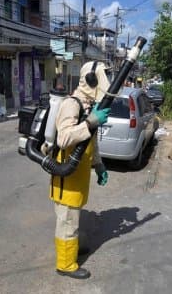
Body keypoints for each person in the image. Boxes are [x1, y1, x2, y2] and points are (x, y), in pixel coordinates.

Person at [50, 60, 111, 279]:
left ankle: (71, 250)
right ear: (91, 81)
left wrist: (99, 164)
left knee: (72, 220)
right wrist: (90, 122)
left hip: (78, 176)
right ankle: (65, 265)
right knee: (67, 222)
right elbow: (64, 137)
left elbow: (89, 141)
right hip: (67, 178)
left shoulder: (87, 106)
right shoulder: (72, 104)